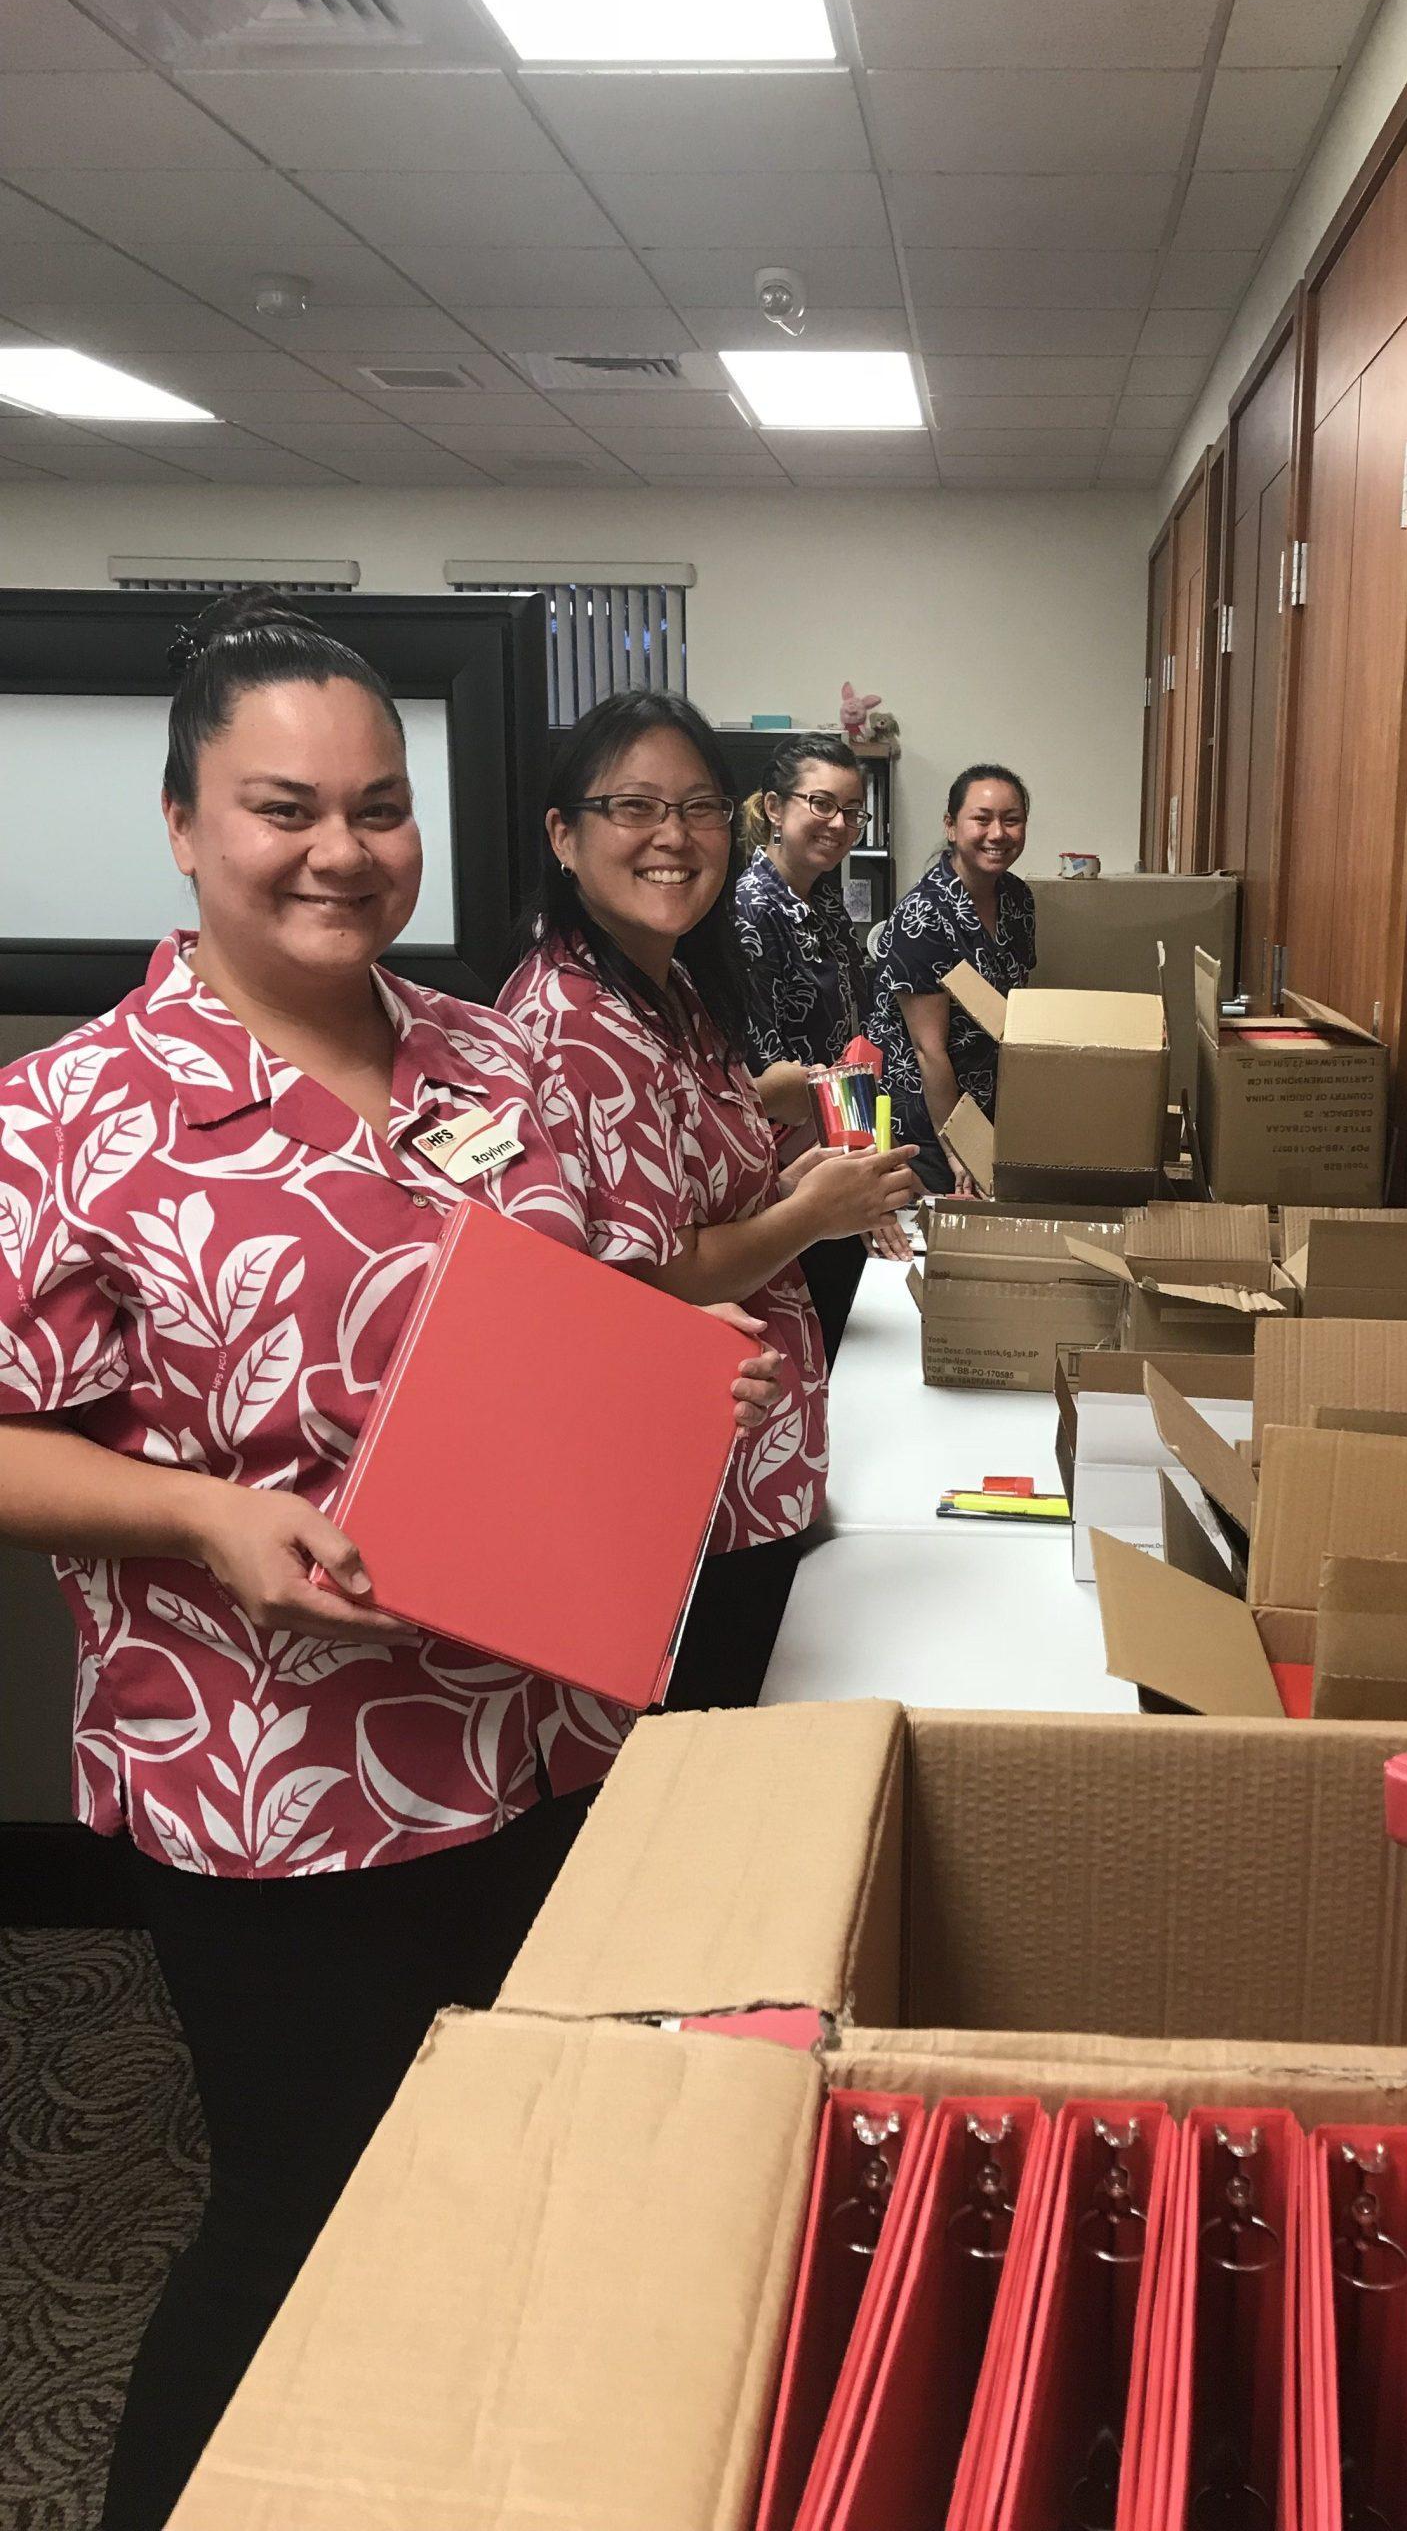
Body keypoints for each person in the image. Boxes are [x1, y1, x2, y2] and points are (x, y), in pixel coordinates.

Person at [0, 596, 779, 2531]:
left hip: (543, 1739)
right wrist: (200, 1515)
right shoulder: (72, 1118)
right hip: (277, 1784)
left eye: (379, 807)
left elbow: (569, 1312)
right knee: (311, 2208)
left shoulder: (484, 1063)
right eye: (284, 809)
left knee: (521, 2176)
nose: (340, 852)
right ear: (183, 823)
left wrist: (670, 1364)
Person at [498, 689, 918, 1711]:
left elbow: (705, 1195)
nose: (674, 837)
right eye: (635, 808)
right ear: (563, 834)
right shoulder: (578, 1021)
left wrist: (801, 1183)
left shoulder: (669, 986)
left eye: (698, 808)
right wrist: (812, 1215)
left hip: (748, 1457)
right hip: (683, 1471)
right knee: (709, 1736)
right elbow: (655, 1274)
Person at [734, 733, 905, 1363]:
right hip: (785, 1168)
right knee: (812, 1344)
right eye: (822, 804)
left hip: (838, 1142)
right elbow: (773, 1076)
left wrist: (867, 1168)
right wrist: (854, 1177)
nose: (839, 824)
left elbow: (850, 1040)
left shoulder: (824, 898)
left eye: (852, 811)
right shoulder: (751, 911)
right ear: (775, 807)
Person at [868, 763, 1037, 1194]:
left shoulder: (1018, 899)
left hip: (992, 1105)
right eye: (982, 819)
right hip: (929, 1119)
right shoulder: (924, 915)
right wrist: (958, 1150)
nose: (997, 833)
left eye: (1011, 820)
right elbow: (929, 1051)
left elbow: (1018, 1008)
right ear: (950, 825)